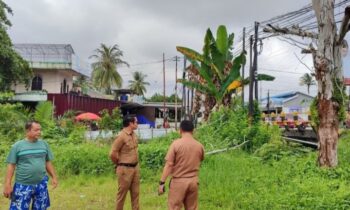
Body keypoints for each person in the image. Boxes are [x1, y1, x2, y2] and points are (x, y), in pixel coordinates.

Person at [3, 121, 58, 210]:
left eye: (40, 130)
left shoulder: (44, 144)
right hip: (23, 185)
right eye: (36, 130)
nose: (39, 132)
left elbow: (47, 162)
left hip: (41, 184)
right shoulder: (17, 146)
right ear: (28, 131)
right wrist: (7, 184)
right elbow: (11, 165)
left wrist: (54, 177)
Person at [158, 120, 205, 210]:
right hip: (193, 182)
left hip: (179, 182)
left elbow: (169, 165)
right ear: (193, 131)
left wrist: (162, 183)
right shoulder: (199, 146)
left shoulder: (176, 144)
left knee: (174, 207)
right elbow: (201, 159)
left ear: (180, 130)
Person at [109, 115, 139, 210]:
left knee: (136, 194)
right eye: (136, 122)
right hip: (125, 169)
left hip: (135, 168)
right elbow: (112, 153)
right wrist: (119, 163)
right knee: (122, 194)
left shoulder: (133, 134)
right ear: (130, 123)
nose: (137, 124)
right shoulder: (121, 136)